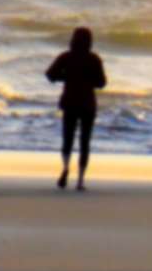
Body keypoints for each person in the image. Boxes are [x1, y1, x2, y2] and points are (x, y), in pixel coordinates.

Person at [46, 26, 107, 189]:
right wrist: (88, 80)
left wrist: (65, 77)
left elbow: (50, 75)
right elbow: (102, 83)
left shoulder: (66, 57)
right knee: (84, 142)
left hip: (69, 102)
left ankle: (66, 168)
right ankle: (80, 181)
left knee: (67, 139)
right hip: (88, 104)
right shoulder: (94, 59)